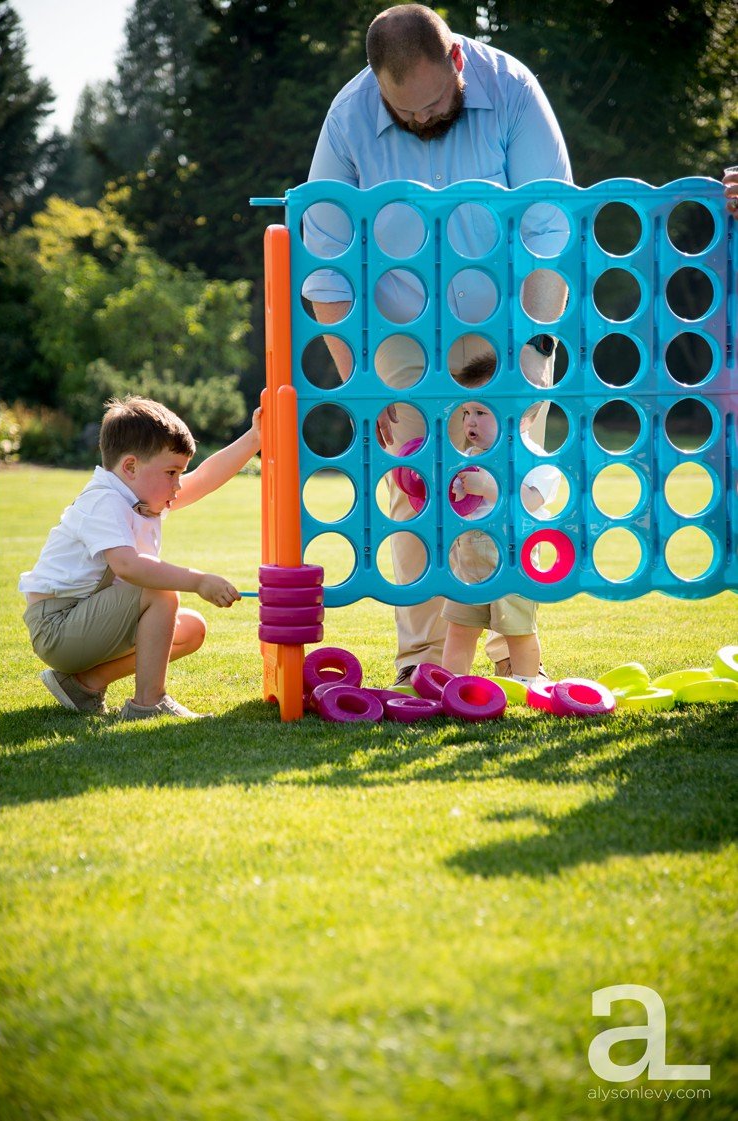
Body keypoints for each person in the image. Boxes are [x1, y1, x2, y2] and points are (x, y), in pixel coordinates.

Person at [303, 2, 571, 685]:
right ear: (376, 85)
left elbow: (549, 232)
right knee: (418, 487)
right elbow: (326, 265)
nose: (421, 122)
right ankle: (423, 663)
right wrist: (359, 381)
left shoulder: (512, 90)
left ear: (456, 63)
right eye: (404, 113)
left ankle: (515, 652)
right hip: (400, 330)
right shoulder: (349, 116)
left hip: (508, 319)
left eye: (432, 106)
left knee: (508, 483)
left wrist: (529, 357)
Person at [18, 396, 262, 720]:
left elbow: (203, 479)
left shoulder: (140, 493)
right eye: (172, 473)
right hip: (57, 627)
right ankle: (148, 704)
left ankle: (84, 685)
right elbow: (128, 567)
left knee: (190, 629)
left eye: (180, 473)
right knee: (159, 591)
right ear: (131, 466)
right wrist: (199, 581)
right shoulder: (104, 501)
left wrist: (255, 437)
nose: (178, 485)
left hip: (84, 620)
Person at [437, 392, 552, 684]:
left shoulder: (534, 456)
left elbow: (531, 501)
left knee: (518, 630)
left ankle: (527, 684)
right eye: (466, 413)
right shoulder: (469, 458)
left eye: (481, 413)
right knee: (460, 628)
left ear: (524, 419)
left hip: (513, 558)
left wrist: (489, 486)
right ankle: (451, 686)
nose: (470, 421)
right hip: (468, 559)